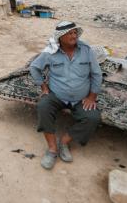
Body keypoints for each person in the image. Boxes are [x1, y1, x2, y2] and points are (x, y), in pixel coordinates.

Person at [29, 21, 102, 170]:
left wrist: (92, 97)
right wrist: (43, 87)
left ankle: (64, 142)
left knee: (93, 117)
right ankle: (52, 149)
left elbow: (96, 74)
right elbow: (34, 67)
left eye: (75, 32)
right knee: (43, 106)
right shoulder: (50, 52)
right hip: (57, 95)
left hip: (81, 98)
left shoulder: (86, 50)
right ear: (60, 37)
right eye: (69, 33)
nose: (74, 35)